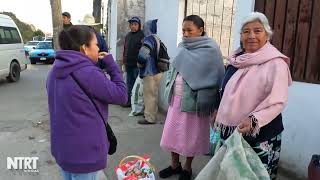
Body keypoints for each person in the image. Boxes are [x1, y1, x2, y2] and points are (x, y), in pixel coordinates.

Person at [212, 12, 292, 180]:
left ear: (267, 35)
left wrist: (253, 119)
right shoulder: (236, 60)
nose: (251, 36)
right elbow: (225, 90)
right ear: (241, 36)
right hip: (231, 132)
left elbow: (278, 101)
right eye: (246, 31)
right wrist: (217, 111)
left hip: (261, 133)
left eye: (257, 31)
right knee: (229, 173)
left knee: (253, 175)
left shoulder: (276, 63)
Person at [46, 25, 127, 180]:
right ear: (84, 48)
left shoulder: (54, 71)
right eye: (96, 44)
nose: (98, 48)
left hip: (64, 152)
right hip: (85, 155)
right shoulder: (89, 73)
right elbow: (122, 95)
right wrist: (111, 65)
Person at [159, 15, 225, 180]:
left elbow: (216, 75)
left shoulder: (211, 49)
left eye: (189, 30)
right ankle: (175, 165)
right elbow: (175, 68)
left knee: (190, 137)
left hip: (195, 101)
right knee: (172, 134)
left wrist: (213, 103)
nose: (186, 34)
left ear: (201, 30)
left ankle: (187, 168)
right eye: (183, 30)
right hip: (176, 99)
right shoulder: (183, 47)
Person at [136, 19, 163, 125]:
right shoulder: (157, 38)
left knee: (149, 95)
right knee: (153, 94)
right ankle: (150, 114)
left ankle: (150, 118)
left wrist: (139, 63)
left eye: (145, 27)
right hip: (158, 71)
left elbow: (143, 55)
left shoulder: (148, 39)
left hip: (149, 71)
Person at [122, 16, 145, 107]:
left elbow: (144, 51)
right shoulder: (128, 36)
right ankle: (129, 102)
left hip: (137, 65)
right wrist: (124, 62)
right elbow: (125, 49)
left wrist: (141, 63)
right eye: (131, 24)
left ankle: (137, 104)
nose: (133, 26)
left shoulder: (142, 35)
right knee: (129, 84)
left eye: (135, 24)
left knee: (137, 85)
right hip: (128, 64)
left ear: (139, 25)